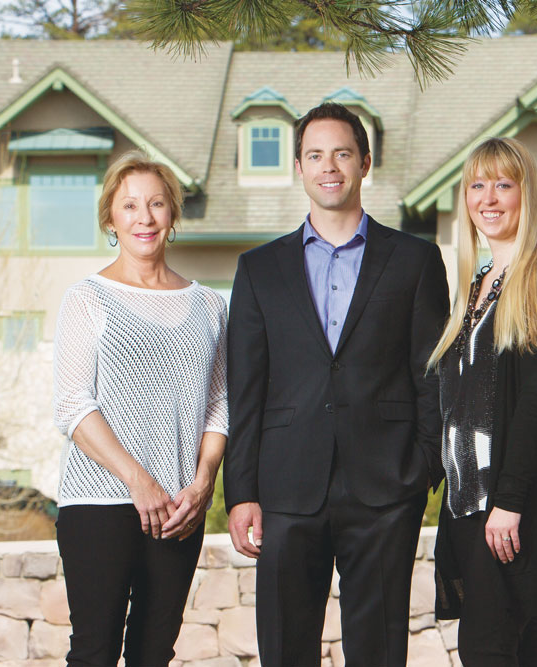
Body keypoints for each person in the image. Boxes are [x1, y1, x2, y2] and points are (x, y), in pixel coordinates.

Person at [224, 102, 449, 666]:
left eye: (342, 153)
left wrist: (423, 466)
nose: (330, 166)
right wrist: (242, 491)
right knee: (285, 649)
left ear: (365, 163)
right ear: (299, 167)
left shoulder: (416, 261)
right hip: (286, 488)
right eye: (316, 155)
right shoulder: (259, 269)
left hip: (384, 487)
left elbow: (432, 374)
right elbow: (246, 389)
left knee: (378, 653)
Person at [52, 150, 228, 667]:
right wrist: (137, 480)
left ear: (172, 215)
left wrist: (203, 483)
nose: (144, 218)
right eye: (129, 206)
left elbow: (220, 403)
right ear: (111, 217)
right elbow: (73, 404)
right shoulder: (87, 298)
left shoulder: (209, 305)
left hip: (178, 510)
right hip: (99, 504)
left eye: (156, 204)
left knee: (154, 654)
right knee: (95, 651)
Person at [428, 137, 537, 666]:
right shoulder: (478, 286)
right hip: (473, 503)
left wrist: (510, 502)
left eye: (503, 184)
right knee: (514, 643)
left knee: (486, 647)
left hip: (511, 503)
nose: (488, 198)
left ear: (527, 195)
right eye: (477, 185)